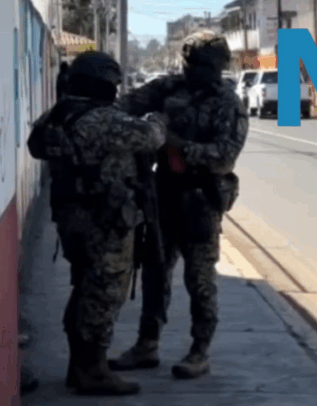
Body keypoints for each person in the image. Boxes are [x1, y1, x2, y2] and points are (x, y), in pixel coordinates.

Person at [108, 30, 248, 380]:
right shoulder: (168, 88)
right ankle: (147, 344)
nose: (197, 71)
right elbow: (124, 107)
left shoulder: (228, 104)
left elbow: (223, 157)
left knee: (199, 279)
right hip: (164, 194)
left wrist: (174, 144)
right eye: (193, 63)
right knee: (154, 272)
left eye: (205, 65)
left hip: (200, 199)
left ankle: (199, 351)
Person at [27, 51, 168, 396]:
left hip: (70, 218)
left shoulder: (57, 115)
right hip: (104, 222)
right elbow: (151, 137)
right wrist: (159, 118)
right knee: (104, 294)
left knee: (85, 288)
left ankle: (79, 366)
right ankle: (94, 371)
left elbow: (36, 146)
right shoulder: (103, 120)